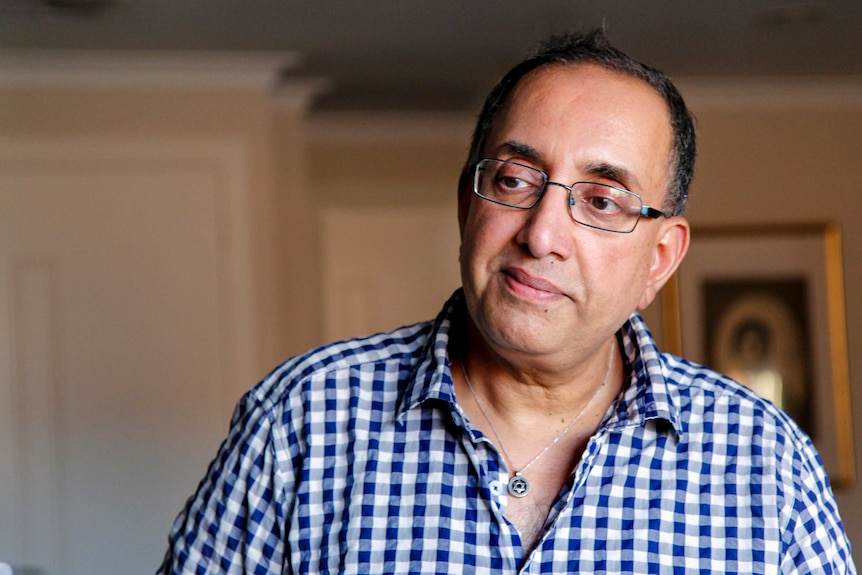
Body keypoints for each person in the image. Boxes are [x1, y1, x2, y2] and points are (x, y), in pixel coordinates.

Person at [158, 30, 855, 574]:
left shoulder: (766, 464)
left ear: (660, 258)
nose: (542, 233)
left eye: (602, 199)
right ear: (468, 205)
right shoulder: (300, 423)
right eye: (517, 179)